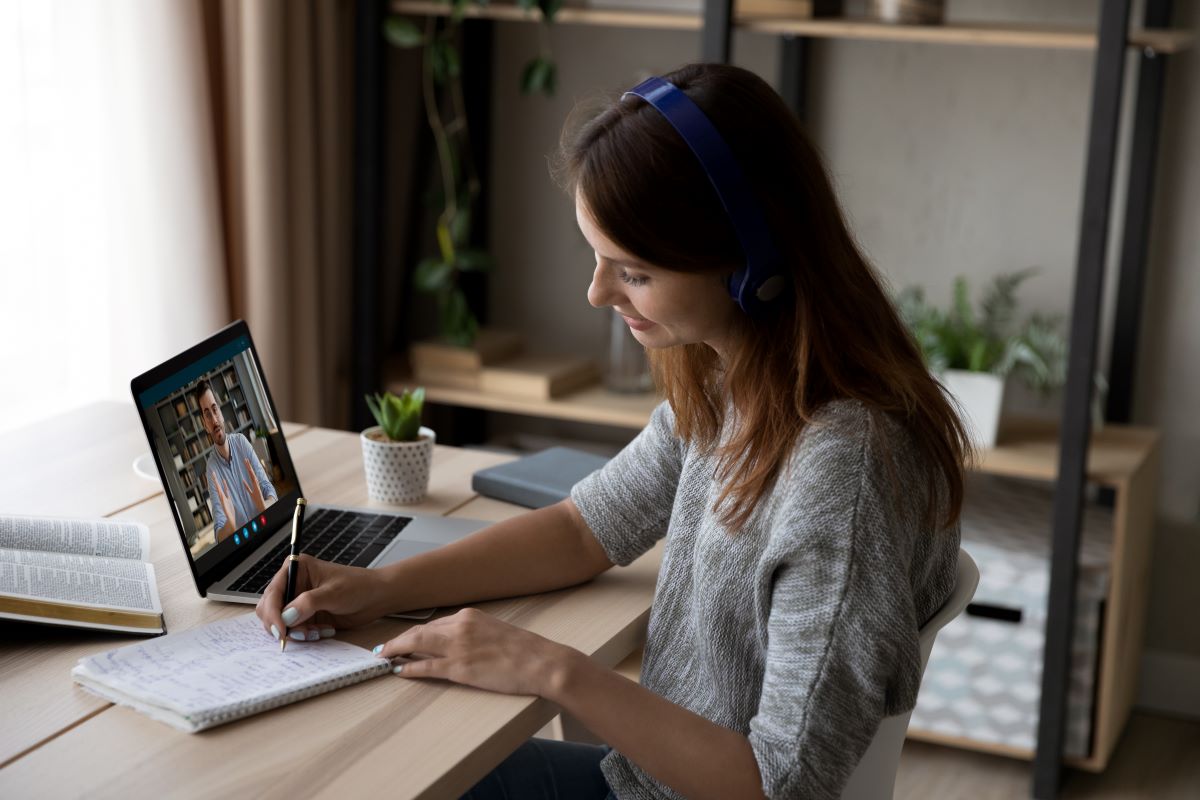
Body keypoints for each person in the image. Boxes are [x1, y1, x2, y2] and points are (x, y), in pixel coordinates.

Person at [256, 63, 969, 799]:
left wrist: (550, 669)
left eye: (631, 272)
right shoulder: (735, 382)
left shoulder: (840, 469)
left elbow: (781, 786)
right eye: (598, 259)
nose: (597, 292)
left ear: (747, 260)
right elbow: (585, 528)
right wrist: (379, 587)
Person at [196, 378, 277, 542]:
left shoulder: (241, 442)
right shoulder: (211, 469)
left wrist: (263, 506)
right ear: (205, 424)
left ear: (221, 412)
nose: (214, 420)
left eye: (214, 410)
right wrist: (230, 526)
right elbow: (219, 533)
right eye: (207, 415)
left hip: (268, 530)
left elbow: (269, 491)